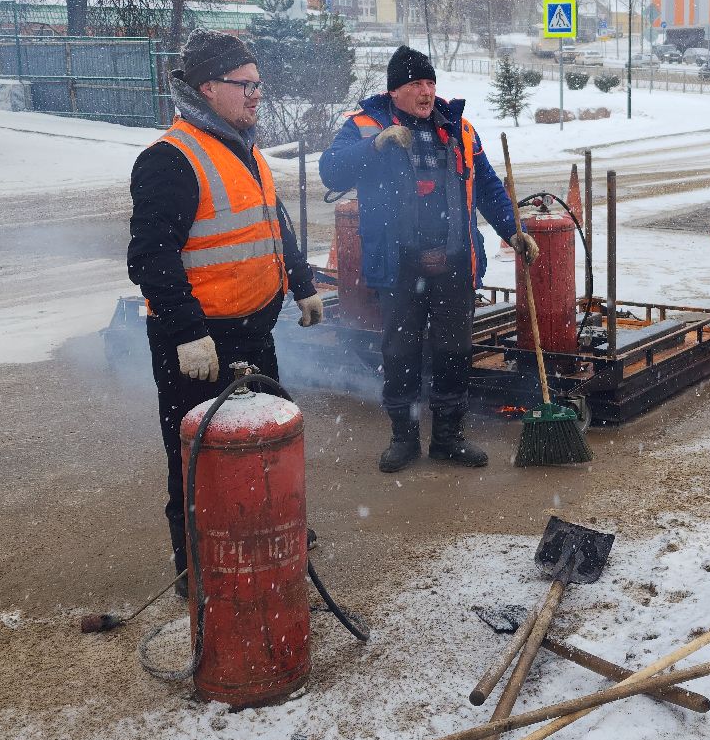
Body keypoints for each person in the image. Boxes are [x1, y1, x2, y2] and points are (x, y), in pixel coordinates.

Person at [128, 30, 323, 592]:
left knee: (265, 441)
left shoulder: (244, 146)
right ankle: (198, 567)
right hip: (198, 347)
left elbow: (273, 222)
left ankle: (268, 533)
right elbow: (150, 254)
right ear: (209, 87)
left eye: (259, 84)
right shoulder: (170, 159)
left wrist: (301, 281)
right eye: (246, 84)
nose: (257, 94)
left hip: (252, 332)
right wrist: (188, 331)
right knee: (196, 456)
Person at [319, 46, 536, 473]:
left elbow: (489, 187)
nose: (426, 92)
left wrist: (513, 229)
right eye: (416, 84)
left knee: (454, 349)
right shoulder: (365, 126)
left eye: (431, 83)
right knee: (400, 350)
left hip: (454, 262)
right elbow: (331, 171)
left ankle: (448, 438)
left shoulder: (459, 129)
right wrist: (377, 147)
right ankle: (403, 439)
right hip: (400, 266)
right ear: (395, 90)